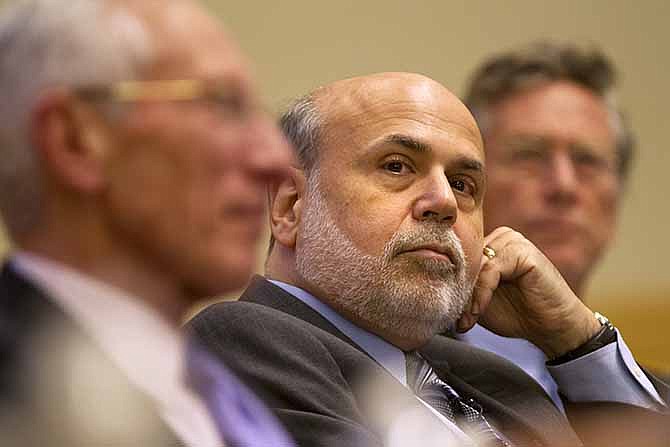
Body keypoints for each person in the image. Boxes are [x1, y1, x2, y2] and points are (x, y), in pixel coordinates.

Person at [189, 72, 669, 447]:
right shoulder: (243, 341)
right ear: (290, 206)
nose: (443, 201)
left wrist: (577, 340)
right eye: (397, 166)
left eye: (463, 184)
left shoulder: (496, 378)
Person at [0, 0, 295, 446]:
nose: (274, 159)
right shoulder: (22, 408)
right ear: (74, 139)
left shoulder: (218, 394)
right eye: (222, 104)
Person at [458, 41, 652, 408]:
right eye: (529, 156)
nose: (563, 185)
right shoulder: (398, 385)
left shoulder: (646, 410)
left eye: (587, 160)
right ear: (465, 185)